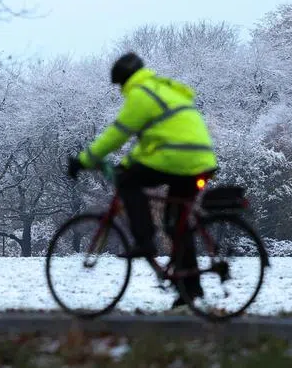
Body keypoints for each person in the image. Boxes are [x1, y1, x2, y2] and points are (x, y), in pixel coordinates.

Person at [67, 52, 219, 309]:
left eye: (119, 85)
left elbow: (117, 133)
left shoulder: (141, 94)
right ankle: (189, 290)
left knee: (128, 183)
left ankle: (144, 241)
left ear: (124, 79)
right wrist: (126, 163)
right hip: (199, 159)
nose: (120, 90)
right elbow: (152, 142)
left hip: (178, 157)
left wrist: (84, 159)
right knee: (176, 224)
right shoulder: (162, 89)